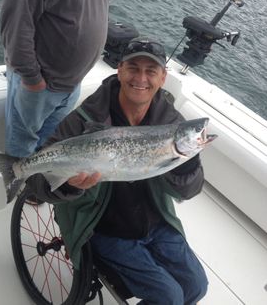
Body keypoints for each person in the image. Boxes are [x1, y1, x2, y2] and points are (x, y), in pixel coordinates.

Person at [31, 37, 208, 304]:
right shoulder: (84, 119)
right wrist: (70, 185)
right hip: (102, 225)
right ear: (120, 70)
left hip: (155, 220)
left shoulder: (170, 122)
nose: (141, 78)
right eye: (133, 68)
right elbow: (36, 181)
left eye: (151, 71)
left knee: (196, 286)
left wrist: (189, 163)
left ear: (163, 77)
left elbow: (190, 190)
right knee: (169, 297)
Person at [0, 0, 111, 158]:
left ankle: (36, 187)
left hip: (73, 83)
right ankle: (17, 184)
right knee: (21, 150)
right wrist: (32, 78)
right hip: (40, 84)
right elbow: (17, 21)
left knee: (49, 148)